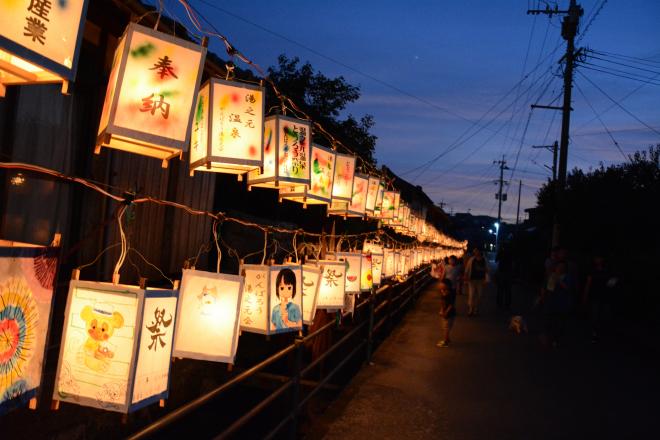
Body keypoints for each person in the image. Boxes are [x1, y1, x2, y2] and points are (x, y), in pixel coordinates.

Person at [582, 255, 614, 343]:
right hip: (595, 296)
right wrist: (585, 295)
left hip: (605, 296)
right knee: (594, 315)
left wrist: (610, 285)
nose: (598, 260)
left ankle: (603, 332)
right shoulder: (592, 270)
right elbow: (588, 283)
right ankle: (594, 333)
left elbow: (612, 281)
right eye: (596, 258)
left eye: (600, 258)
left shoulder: (607, 269)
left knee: (606, 315)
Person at [464, 248, 489, 316]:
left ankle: (476, 308)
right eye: (474, 251)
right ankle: (471, 309)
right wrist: (466, 275)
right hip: (472, 279)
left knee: (479, 295)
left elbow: (487, 269)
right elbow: (467, 268)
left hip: (481, 280)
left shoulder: (484, 260)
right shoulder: (472, 259)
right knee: (471, 295)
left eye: (477, 251)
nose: (476, 253)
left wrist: (486, 278)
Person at [437, 279, 456, 348]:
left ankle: (446, 342)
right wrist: (441, 310)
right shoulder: (443, 292)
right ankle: (447, 339)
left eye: (442, 284)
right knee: (445, 327)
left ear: (447, 285)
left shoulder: (450, 293)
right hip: (445, 312)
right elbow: (442, 303)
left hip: (449, 313)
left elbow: (451, 304)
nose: (440, 285)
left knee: (446, 328)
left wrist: (445, 312)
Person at [496, 243, 513, 309]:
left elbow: (496, 259)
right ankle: (507, 304)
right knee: (508, 290)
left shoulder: (501, 252)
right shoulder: (511, 253)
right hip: (509, 273)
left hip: (501, 272)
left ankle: (499, 303)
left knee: (500, 289)